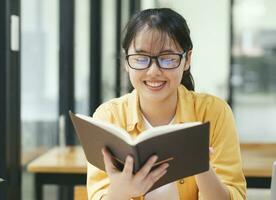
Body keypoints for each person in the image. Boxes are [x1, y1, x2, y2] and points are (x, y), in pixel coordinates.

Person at [87, 8, 246, 200]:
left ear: (187, 59)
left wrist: (202, 168)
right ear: (126, 62)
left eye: (167, 59)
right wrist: (121, 191)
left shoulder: (214, 112)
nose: (153, 71)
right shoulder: (108, 116)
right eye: (141, 59)